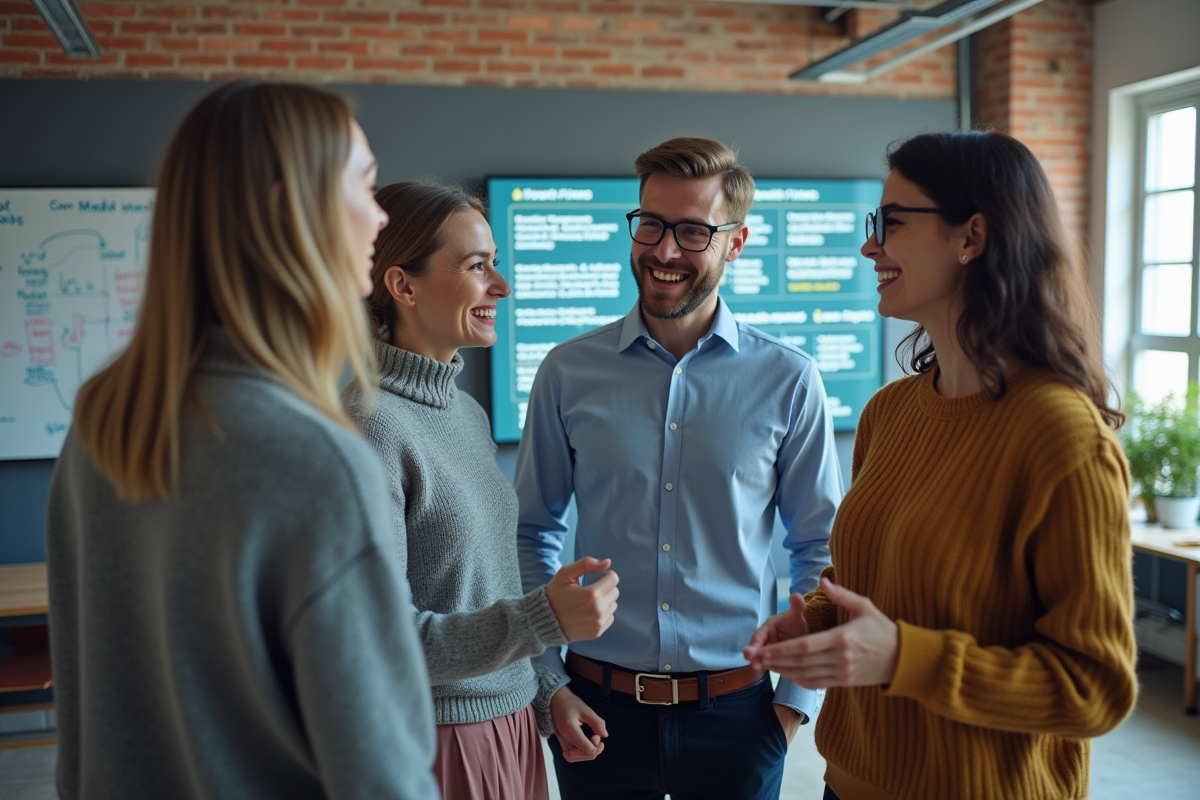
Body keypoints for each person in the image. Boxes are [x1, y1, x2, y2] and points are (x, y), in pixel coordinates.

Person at [44, 82, 440, 799]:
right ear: (294, 212)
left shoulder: (104, 418)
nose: (381, 217)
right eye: (365, 185)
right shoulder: (314, 458)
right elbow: (380, 775)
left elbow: (86, 713)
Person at [744, 130, 1138, 800]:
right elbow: (879, 580)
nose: (870, 247)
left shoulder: (1062, 437)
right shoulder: (891, 412)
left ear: (971, 236)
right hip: (848, 785)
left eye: (892, 223)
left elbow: (1095, 688)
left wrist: (905, 657)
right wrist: (817, 619)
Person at [514, 137, 843, 800]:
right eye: (651, 225)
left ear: (736, 242)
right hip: (595, 710)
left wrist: (792, 706)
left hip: (741, 719)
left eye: (693, 231)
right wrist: (548, 683)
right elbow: (530, 533)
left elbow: (822, 550)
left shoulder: (789, 379)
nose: (664, 251)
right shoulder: (568, 372)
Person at [341, 181, 620, 800]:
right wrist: (545, 618)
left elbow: (480, 588)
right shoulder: (369, 426)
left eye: (495, 263)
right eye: (476, 267)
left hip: (511, 726)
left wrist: (544, 692)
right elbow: (379, 641)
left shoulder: (464, 412)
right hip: (434, 740)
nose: (502, 286)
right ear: (402, 285)